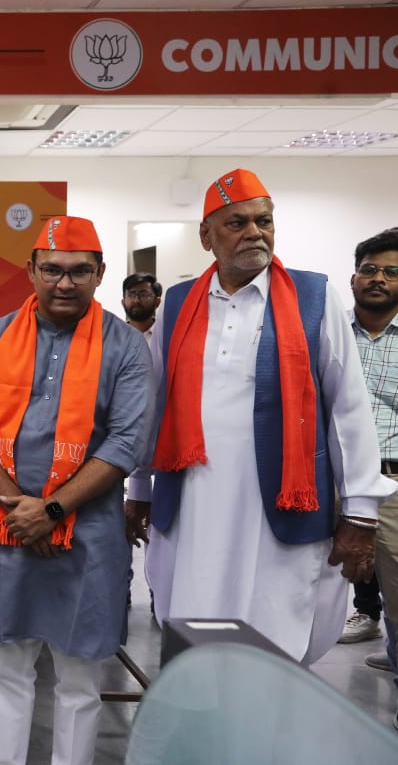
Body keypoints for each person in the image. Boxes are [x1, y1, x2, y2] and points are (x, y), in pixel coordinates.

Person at [127, 169, 394, 666]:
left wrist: (360, 510)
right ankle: (206, 730)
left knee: (276, 624)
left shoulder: (315, 297)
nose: (255, 232)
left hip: (281, 501)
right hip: (192, 500)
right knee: (195, 626)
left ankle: (266, 731)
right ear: (206, 236)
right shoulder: (180, 303)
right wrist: (139, 490)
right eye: (237, 222)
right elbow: (156, 405)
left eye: (264, 220)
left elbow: (348, 407)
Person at [0, 215, 153, 765]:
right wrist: (23, 507)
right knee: (7, 667)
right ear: (32, 270)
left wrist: (55, 509)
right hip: (7, 527)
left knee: (80, 674)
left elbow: (126, 442)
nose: (65, 283)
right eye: (53, 270)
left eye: (79, 271)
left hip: (87, 536)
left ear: (100, 273)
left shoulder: (126, 348)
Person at [345, 228, 398, 723]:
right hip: (328, 482)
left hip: (391, 481)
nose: (378, 278)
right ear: (354, 277)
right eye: (370, 269)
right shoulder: (329, 331)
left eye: (391, 271)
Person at [120, 272, 161, 345]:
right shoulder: (114, 337)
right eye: (131, 294)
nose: (137, 300)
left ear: (157, 302)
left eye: (144, 295)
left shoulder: (165, 336)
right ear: (123, 302)